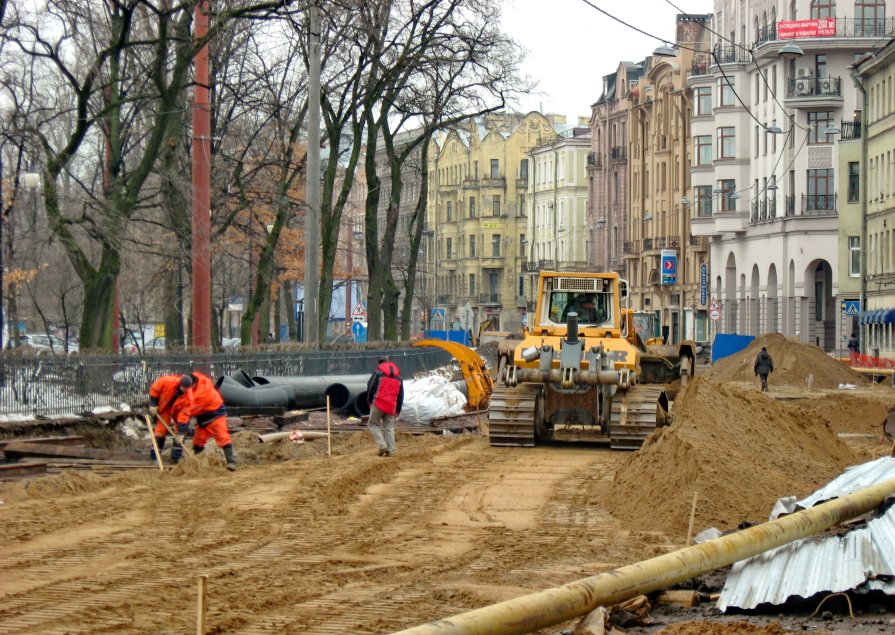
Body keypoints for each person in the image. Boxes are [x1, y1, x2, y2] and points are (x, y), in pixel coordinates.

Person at [187, 371, 237, 471]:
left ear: (194, 384)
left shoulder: (202, 393)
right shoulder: (196, 380)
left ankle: (231, 462)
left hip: (215, 414)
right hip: (202, 417)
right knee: (198, 441)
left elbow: (190, 410)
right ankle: (198, 462)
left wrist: (181, 419)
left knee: (222, 437)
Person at [148, 374, 194, 464]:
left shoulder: (188, 398)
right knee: (160, 431)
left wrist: (181, 433)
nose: (185, 390)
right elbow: (154, 390)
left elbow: (183, 416)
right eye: (184, 388)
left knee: (179, 436)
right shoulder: (167, 381)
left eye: (187, 389)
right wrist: (153, 405)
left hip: (178, 412)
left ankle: (175, 458)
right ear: (180, 384)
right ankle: (155, 457)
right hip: (165, 408)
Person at [366, 356, 404, 457]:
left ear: (380, 363)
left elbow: (370, 386)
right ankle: (391, 451)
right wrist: (398, 409)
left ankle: (382, 445)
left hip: (378, 403)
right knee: (389, 428)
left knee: (373, 424)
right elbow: (401, 395)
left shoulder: (378, 373)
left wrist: (369, 401)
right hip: (391, 406)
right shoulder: (399, 377)